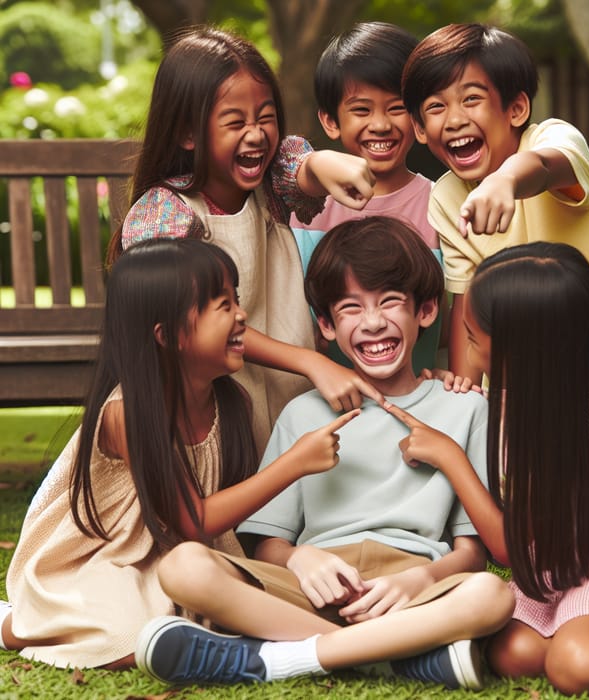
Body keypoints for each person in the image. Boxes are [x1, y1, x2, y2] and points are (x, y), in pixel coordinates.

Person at [133, 217, 514, 690]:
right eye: (351, 308)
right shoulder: (302, 412)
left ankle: (282, 658)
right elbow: (268, 542)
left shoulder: (465, 408)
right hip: (311, 587)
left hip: (416, 586)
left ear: (427, 310)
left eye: (390, 302)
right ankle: (387, 656)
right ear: (327, 326)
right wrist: (300, 561)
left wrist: (420, 581)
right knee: (185, 566)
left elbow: (471, 553)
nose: (373, 322)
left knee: (492, 596)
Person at [0, 238, 361, 669]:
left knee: (205, 614)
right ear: (167, 335)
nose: (241, 314)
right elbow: (193, 519)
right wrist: (294, 464)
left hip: (177, 555)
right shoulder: (127, 413)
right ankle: (15, 622)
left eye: (237, 299)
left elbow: (204, 529)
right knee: (130, 640)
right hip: (103, 555)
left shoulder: (231, 404)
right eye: (222, 305)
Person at [385, 241, 589, 695]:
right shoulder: (555, 393)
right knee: (515, 651)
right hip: (588, 557)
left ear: (521, 351)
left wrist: (451, 457)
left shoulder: (563, 428)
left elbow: (511, 550)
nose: (466, 352)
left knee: (574, 662)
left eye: (473, 338)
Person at [109, 26, 382, 456]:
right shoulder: (167, 212)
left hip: (284, 391)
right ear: (188, 133)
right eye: (235, 122)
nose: (255, 134)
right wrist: (310, 360)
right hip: (207, 403)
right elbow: (187, 315)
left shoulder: (269, 188)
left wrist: (326, 160)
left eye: (265, 117)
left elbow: (302, 166)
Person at [401, 22, 589, 406]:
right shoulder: (446, 197)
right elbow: (465, 304)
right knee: (537, 467)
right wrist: (467, 394)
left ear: (516, 108)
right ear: (421, 129)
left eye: (471, 99)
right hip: (534, 373)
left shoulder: (554, 138)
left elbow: (547, 166)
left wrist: (506, 180)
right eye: (436, 107)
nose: (455, 119)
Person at [290, 21, 445, 374]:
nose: (380, 124)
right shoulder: (307, 208)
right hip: (321, 399)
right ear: (330, 121)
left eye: (396, 108)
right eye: (361, 110)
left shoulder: (439, 205)